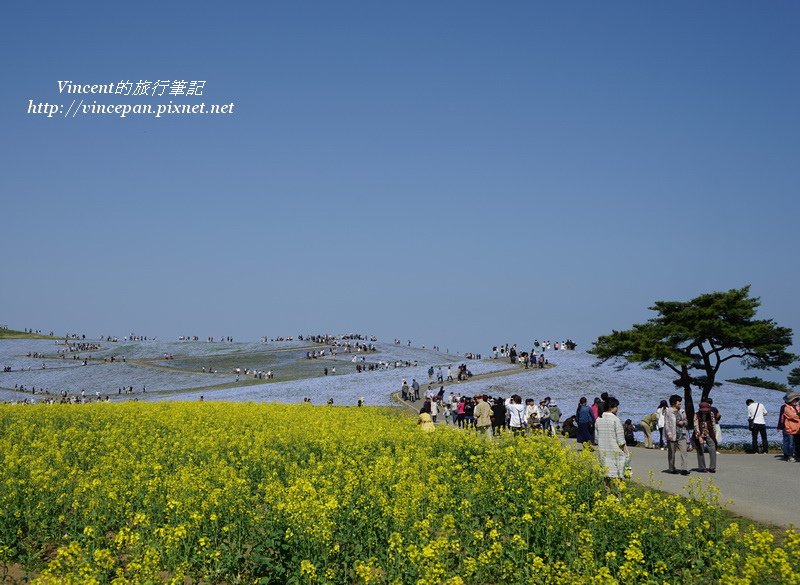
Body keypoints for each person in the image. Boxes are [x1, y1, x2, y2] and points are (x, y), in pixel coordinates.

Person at [594, 396, 628, 480]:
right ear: (611, 407)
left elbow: (596, 439)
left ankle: (607, 492)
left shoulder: (598, 420)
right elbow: (620, 441)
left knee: (606, 477)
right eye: (616, 406)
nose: (617, 408)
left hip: (603, 453)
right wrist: (626, 452)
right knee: (617, 478)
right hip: (615, 453)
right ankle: (617, 493)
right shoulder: (615, 420)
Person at [665, 394, 689, 475]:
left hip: (682, 435)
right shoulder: (668, 411)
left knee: (684, 452)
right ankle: (671, 468)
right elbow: (667, 424)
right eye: (679, 403)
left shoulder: (682, 411)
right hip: (672, 435)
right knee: (671, 453)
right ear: (674, 403)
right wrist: (669, 434)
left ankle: (684, 469)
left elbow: (686, 421)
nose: (680, 404)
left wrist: (683, 423)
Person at [693, 402, 718, 473]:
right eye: (704, 410)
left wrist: (714, 434)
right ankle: (702, 467)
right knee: (700, 450)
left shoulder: (711, 414)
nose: (705, 411)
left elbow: (713, 424)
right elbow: (696, 426)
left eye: (706, 410)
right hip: (700, 433)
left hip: (709, 433)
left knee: (712, 448)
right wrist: (699, 437)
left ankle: (712, 467)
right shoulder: (696, 415)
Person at [778, 395, 800, 462]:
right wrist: (779, 426)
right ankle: (789, 456)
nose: (795, 401)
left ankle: (797, 456)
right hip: (789, 428)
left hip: (798, 428)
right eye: (794, 400)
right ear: (790, 401)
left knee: (798, 443)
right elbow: (793, 416)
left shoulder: (798, 407)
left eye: (796, 400)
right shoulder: (786, 408)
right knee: (790, 443)